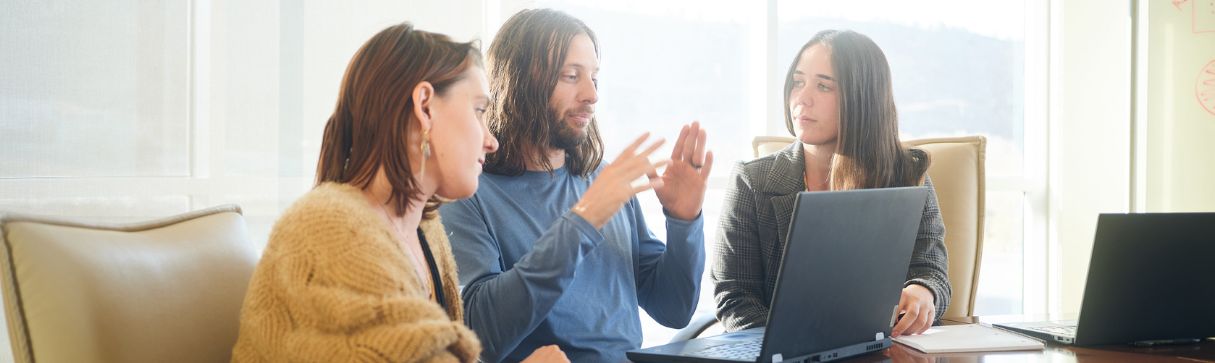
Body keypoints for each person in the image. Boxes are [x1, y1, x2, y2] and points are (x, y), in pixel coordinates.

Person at [231, 23, 567, 362]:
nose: (490, 140)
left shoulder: (425, 228)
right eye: (479, 111)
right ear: (424, 106)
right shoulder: (330, 229)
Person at [439, 8, 713, 363]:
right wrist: (583, 220)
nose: (591, 94)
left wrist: (684, 220)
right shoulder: (469, 193)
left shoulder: (602, 177)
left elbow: (673, 309)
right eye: (571, 76)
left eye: (595, 78)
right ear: (521, 82)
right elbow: (479, 335)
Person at [712, 29, 950, 337]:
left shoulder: (908, 175)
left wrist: (923, 292)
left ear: (863, 99)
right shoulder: (752, 181)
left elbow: (932, 271)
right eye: (798, 82)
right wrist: (791, 346)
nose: (801, 98)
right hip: (783, 354)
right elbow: (734, 296)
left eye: (823, 86)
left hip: (886, 349)